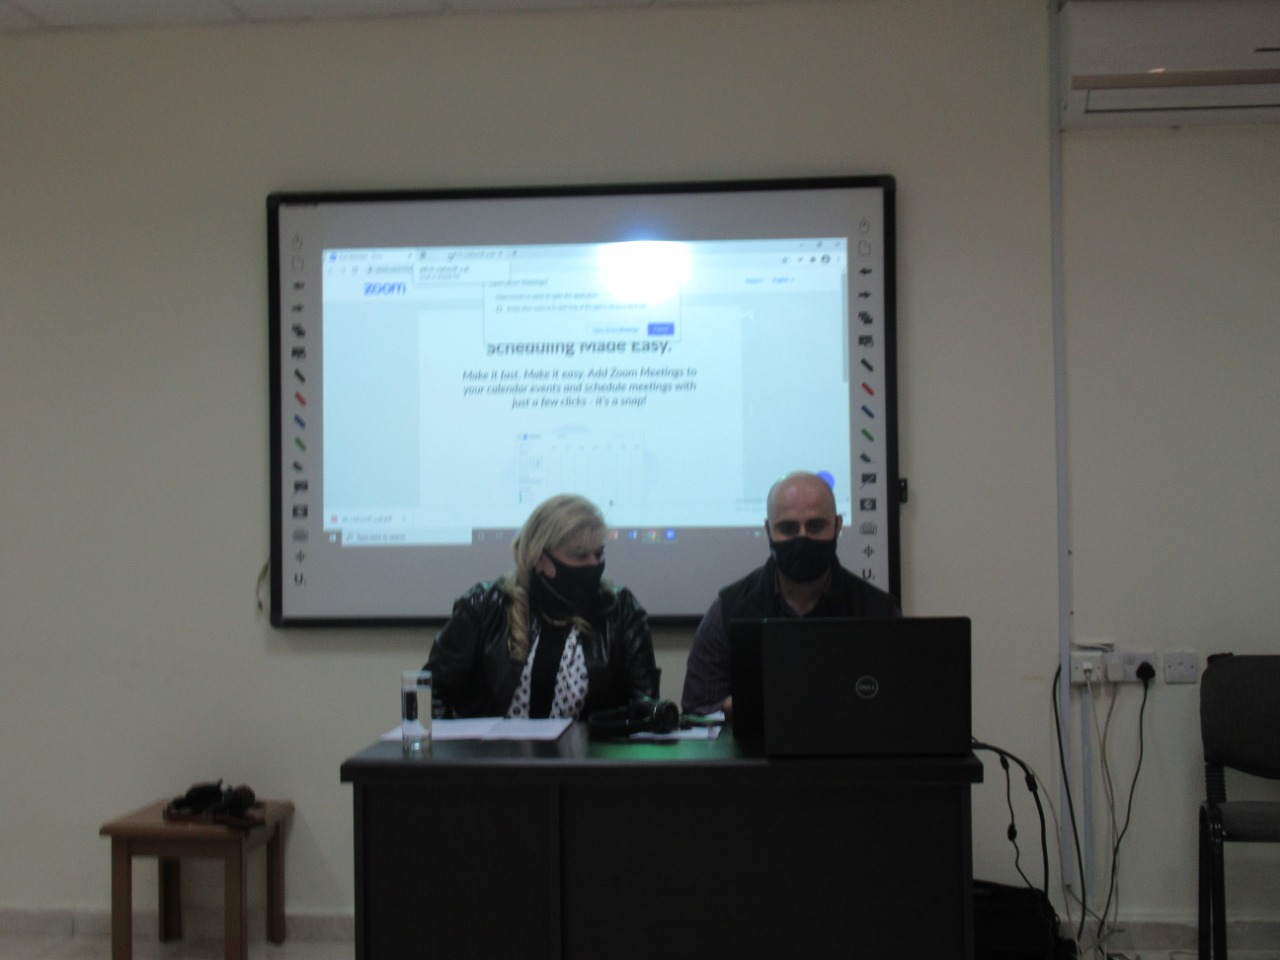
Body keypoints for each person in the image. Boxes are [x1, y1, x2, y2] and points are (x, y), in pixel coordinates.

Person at [681, 470, 900, 717]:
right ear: (768, 530)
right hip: (755, 742)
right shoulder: (727, 611)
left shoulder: (879, 611)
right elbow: (696, 709)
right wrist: (747, 706)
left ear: (837, 526)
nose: (802, 537)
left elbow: (901, 705)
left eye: (816, 526)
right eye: (788, 528)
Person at [426, 493, 659, 719]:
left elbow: (644, 704)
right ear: (540, 557)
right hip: (491, 746)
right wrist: (454, 742)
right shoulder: (484, 606)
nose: (593, 564)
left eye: (598, 554)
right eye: (579, 555)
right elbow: (431, 691)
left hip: (588, 746)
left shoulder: (620, 609)